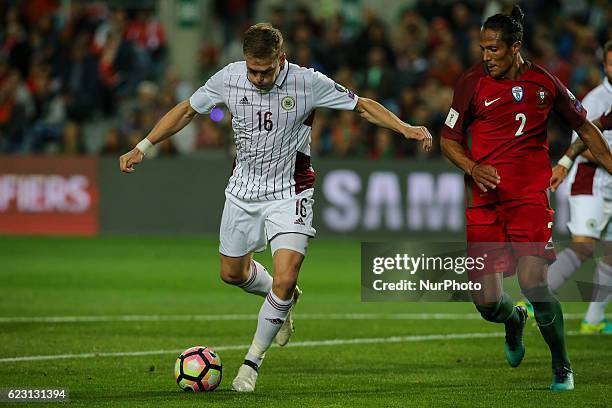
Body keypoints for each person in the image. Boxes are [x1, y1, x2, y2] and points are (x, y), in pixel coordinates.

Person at [119, 23, 432, 392]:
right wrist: (144, 145)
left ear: (280, 59)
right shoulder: (229, 78)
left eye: (266, 70)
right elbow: (188, 110)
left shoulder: (307, 82)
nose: (258, 78)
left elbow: (361, 107)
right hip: (243, 191)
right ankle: (284, 301)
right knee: (232, 274)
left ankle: (251, 363)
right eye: (252, 70)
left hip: (291, 192)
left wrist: (405, 127)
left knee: (287, 274)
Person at [440, 6, 612, 391]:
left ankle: (562, 366)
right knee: (486, 303)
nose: (486, 57)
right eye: (483, 48)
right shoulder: (471, 83)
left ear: (515, 47)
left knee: (534, 280)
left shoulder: (545, 84)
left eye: (494, 49)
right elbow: (448, 140)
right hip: (484, 201)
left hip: (529, 199)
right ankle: (513, 321)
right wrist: (471, 167)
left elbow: (585, 127)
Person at [548, 40, 612, 334]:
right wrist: (565, 160)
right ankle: (532, 299)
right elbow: (583, 141)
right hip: (591, 181)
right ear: (605, 66)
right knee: (583, 247)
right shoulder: (597, 99)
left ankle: (594, 319)